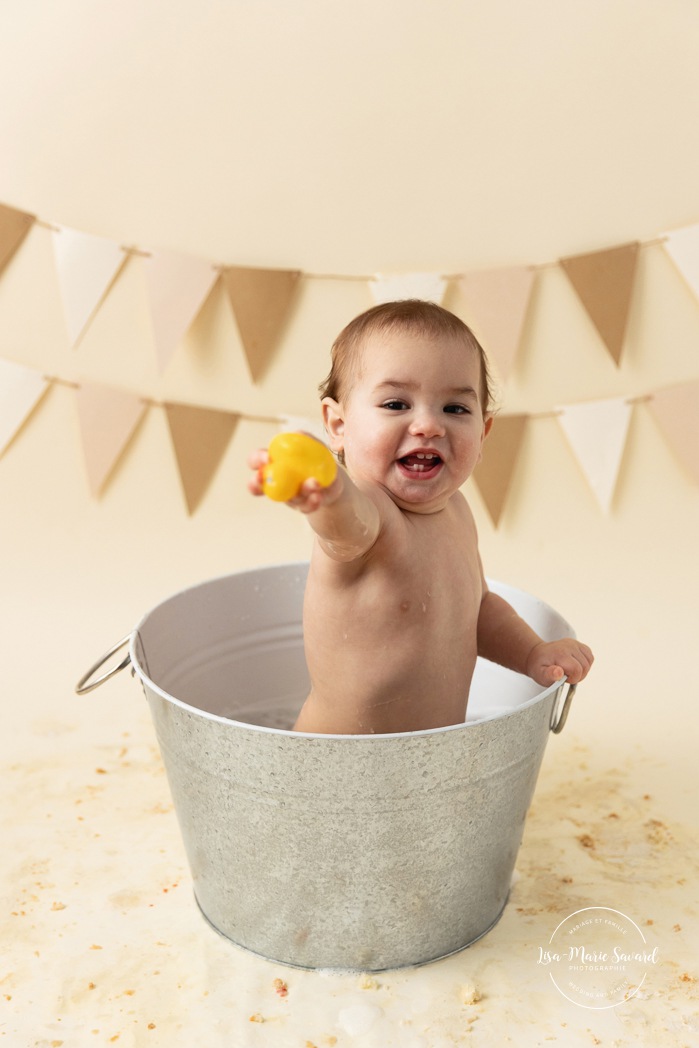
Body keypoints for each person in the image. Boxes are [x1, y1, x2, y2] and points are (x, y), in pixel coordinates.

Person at [248, 300, 593, 734]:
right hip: (333, 764)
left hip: (429, 762)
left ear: (483, 434)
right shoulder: (372, 511)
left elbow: (478, 609)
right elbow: (345, 526)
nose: (428, 425)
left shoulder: (458, 512)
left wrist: (531, 653)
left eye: (455, 408)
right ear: (337, 425)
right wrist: (326, 490)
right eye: (395, 404)